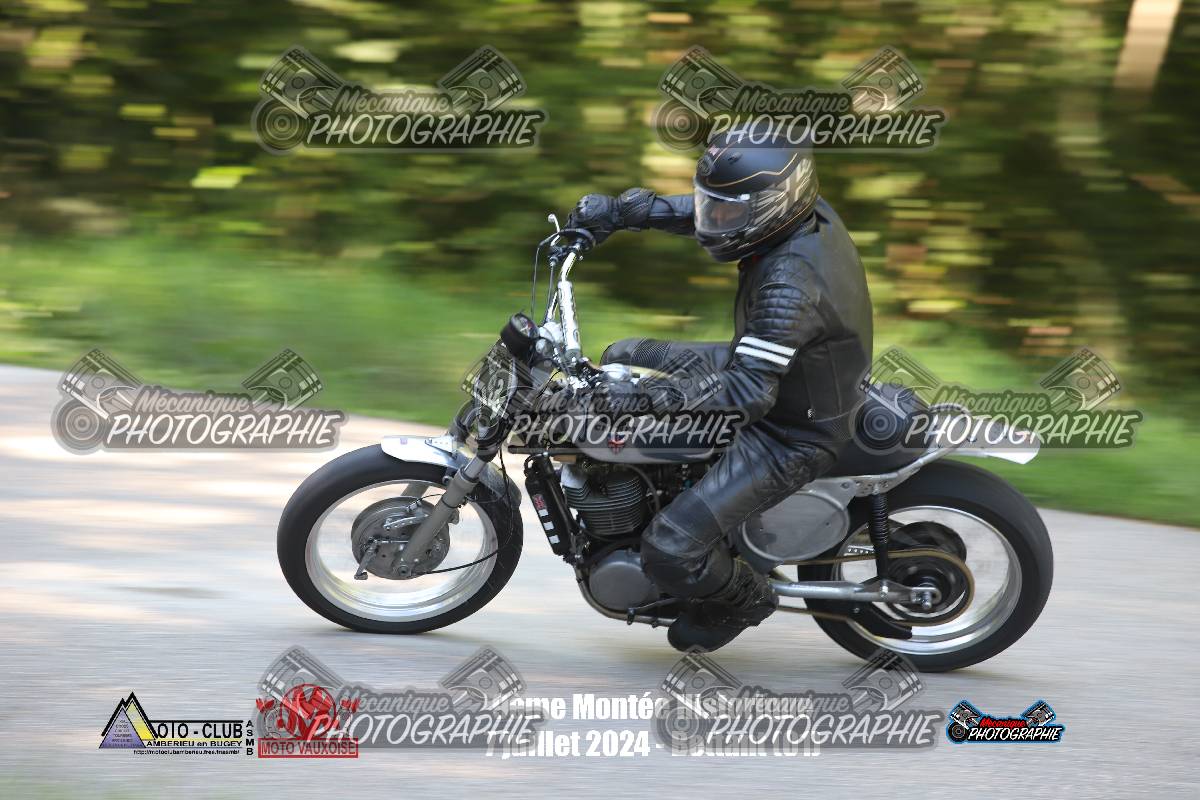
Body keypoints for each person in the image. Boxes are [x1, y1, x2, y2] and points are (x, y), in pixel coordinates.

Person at [565, 128, 874, 651]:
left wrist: (648, 401)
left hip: (789, 430)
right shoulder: (798, 213)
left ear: (772, 207)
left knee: (669, 547)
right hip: (776, 367)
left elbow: (749, 392)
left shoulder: (789, 284)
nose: (714, 219)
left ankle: (745, 600)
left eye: (729, 210)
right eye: (715, 205)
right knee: (622, 354)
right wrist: (624, 213)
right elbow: (715, 211)